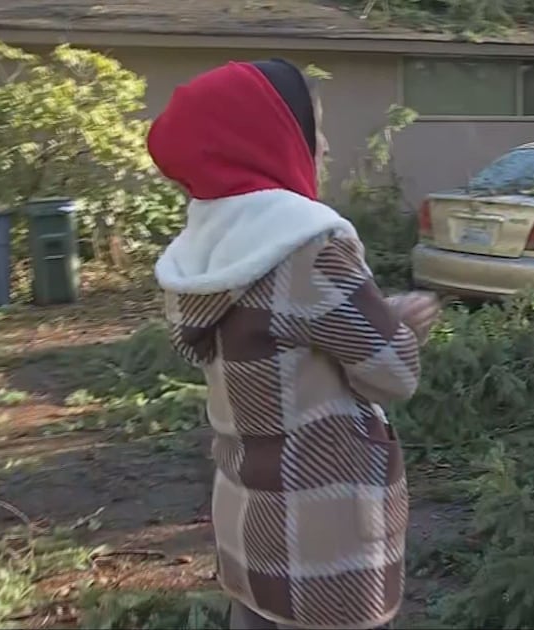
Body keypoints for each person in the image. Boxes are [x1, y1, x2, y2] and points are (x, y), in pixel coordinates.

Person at [146, 58, 439, 630]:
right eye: (314, 129)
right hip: (324, 530)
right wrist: (399, 326)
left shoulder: (209, 251)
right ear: (270, 137)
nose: (324, 147)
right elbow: (393, 372)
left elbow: (284, 341)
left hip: (249, 516)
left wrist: (377, 315)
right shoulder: (307, 244)